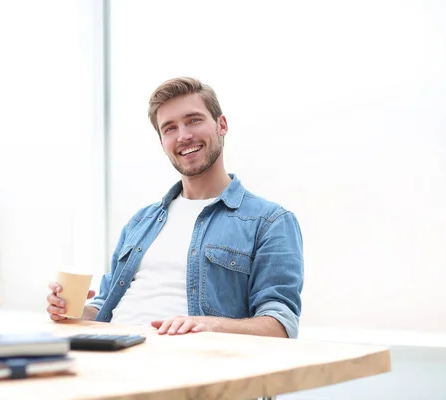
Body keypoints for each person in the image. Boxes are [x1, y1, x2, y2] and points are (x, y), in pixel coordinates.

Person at [47, 77, 304, 338]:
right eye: (169, 128)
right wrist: (73, 310)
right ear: (162, 142)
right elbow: (104, 304)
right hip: (108, 347)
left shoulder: (270, 221)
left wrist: (210, 325)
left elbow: (281, 325)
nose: (183, 136)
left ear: (221, 125)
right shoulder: (141, 222)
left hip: (182, 359)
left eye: (193, 120)